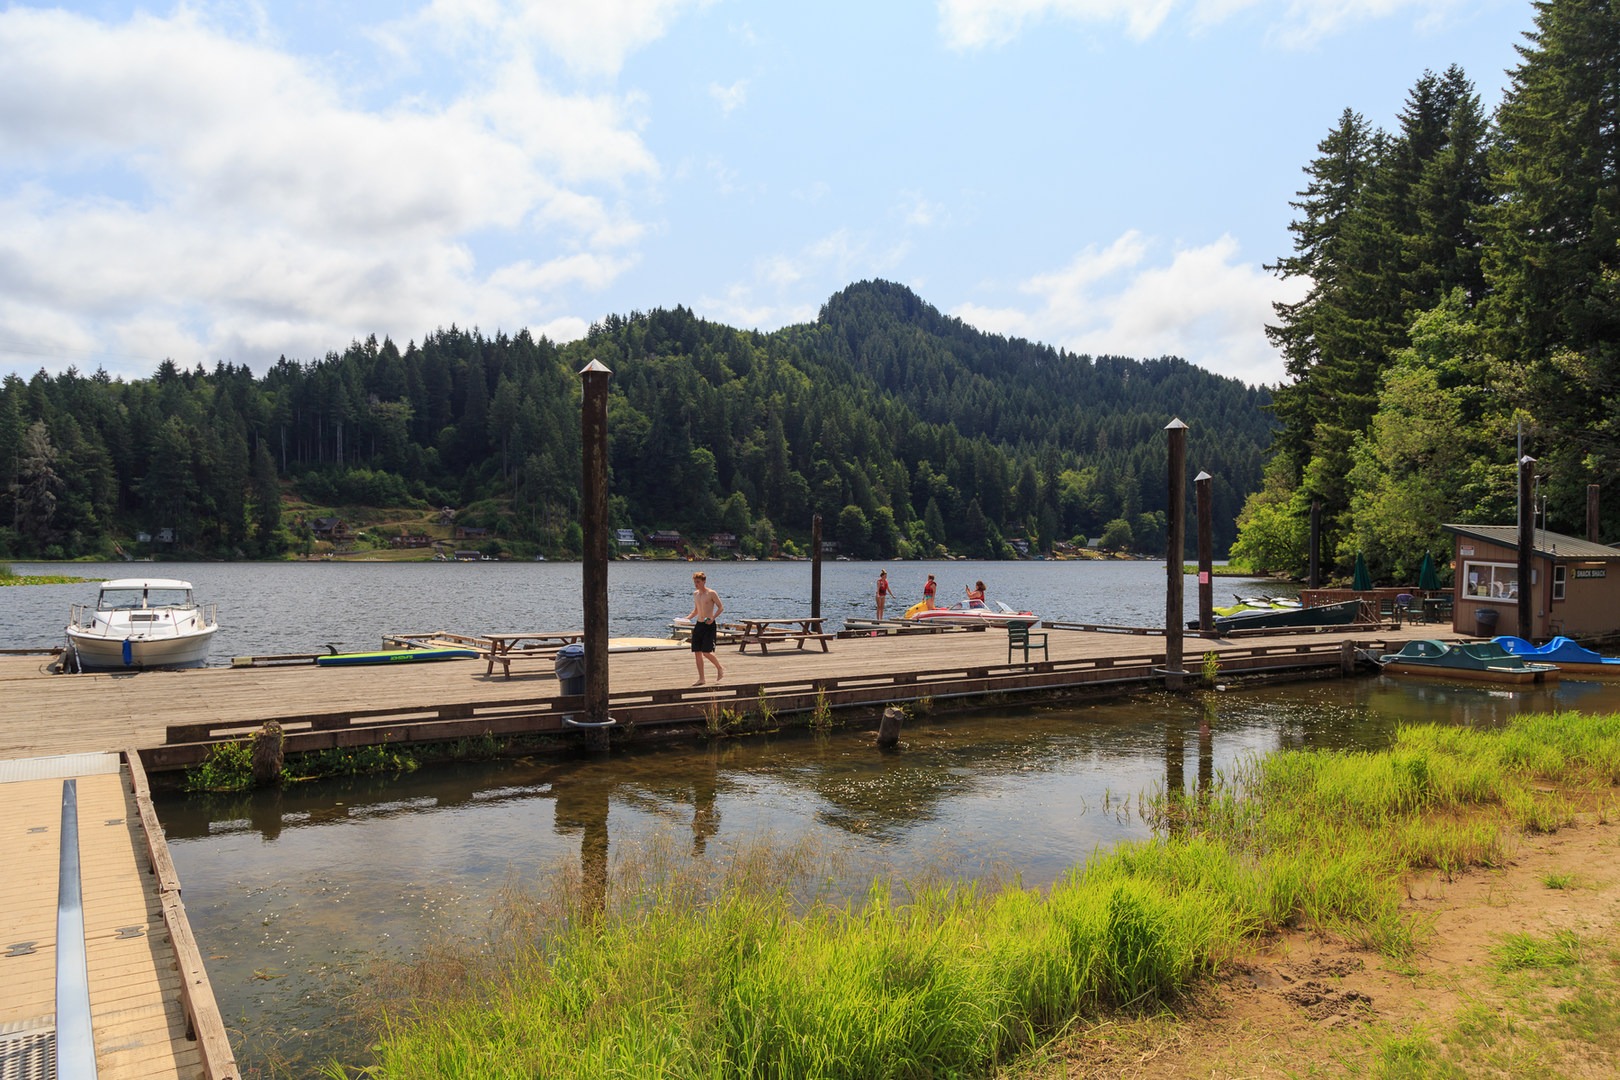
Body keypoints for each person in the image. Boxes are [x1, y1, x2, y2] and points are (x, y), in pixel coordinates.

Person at [686, 571, 724, 685]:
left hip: (709, 624)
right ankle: (701, 678)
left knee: (706, 652)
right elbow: (696, 610)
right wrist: (686, 619)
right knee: (697, 652)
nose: (696, 584)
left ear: (704, 581)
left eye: (698, 582)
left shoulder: (711, 593)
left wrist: (713, 617)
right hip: (699, 624)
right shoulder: (696, 594)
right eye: (695, 582)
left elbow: (721, 607)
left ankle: (719, 667)